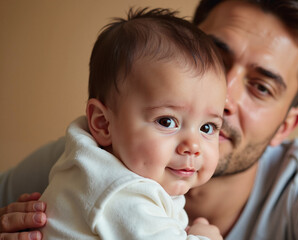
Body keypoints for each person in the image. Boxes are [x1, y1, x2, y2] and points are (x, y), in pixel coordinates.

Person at [0, 0, 298, 239]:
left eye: (260, 87)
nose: (224, 99)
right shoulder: (90, 157)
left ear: (285, 127)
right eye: (216, 61)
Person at [28, 7, 226, 240]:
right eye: (167, 121)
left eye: (207, 128)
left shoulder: (91, 168)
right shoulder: (120, 192)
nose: (193, 145)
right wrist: (206, 236)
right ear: (103, 123)